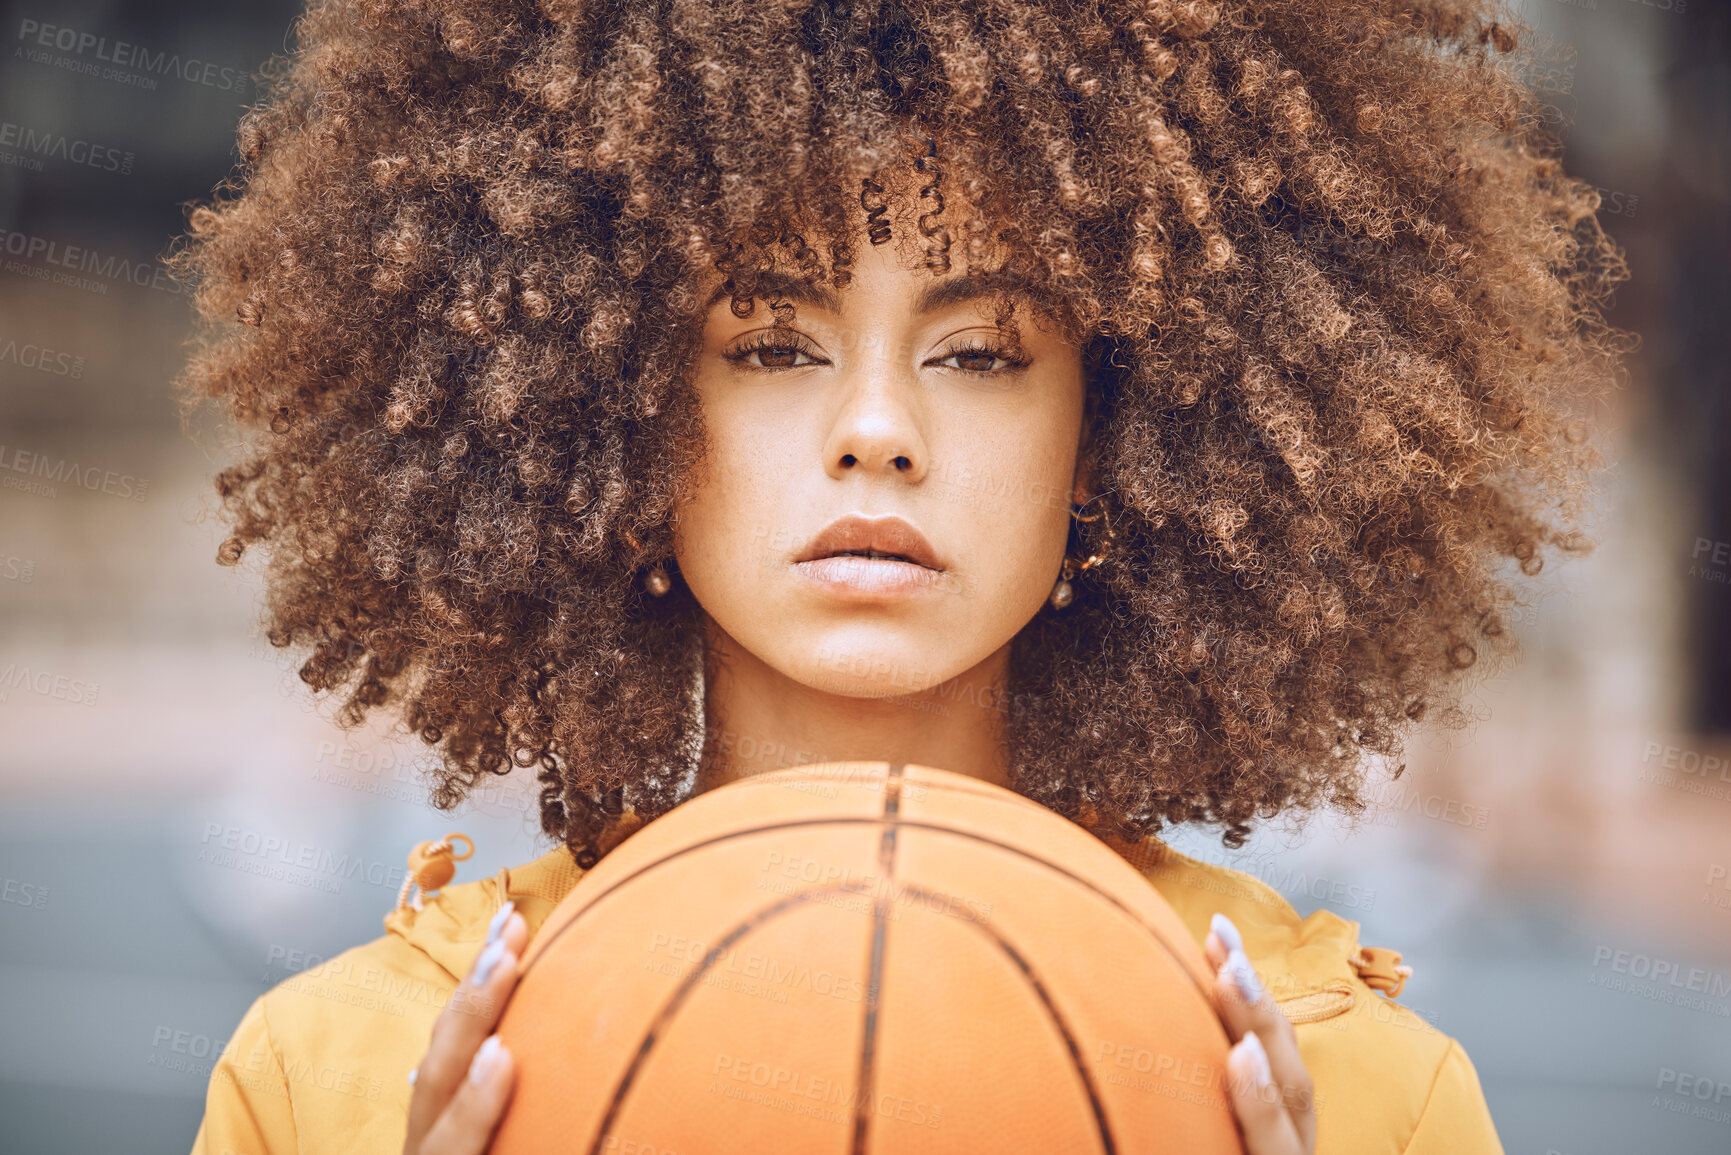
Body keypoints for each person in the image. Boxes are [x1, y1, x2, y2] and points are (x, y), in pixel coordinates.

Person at [174, 0, 1624, 1151]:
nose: (876, 430)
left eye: (982, 352)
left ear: (1114, 444)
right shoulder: (333, 1086)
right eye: (772, 344)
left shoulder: (1363, 1096)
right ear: (612, 426)